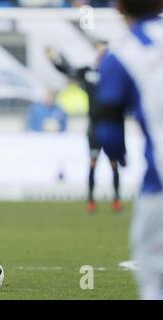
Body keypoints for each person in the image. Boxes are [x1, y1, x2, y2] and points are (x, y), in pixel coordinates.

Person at [95, 0, 163, 299]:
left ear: (119, 7)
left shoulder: (120, 55)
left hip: (159, 184)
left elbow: (108, 128)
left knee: (155, 282)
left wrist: (116, 153)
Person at [46, 42, 123, 213]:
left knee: (114, 164)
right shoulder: (88, 72)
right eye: (99, 51)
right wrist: (54, 59)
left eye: (105, 52)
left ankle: (117, 199)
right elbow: (67, 70)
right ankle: (91, 200)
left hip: (110, 125)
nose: (101, 55)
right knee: (93, 163)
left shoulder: (114, 73)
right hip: (95, 126)